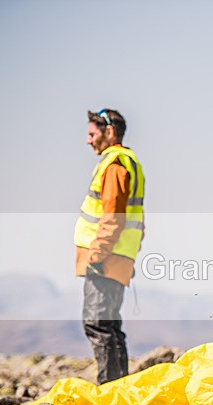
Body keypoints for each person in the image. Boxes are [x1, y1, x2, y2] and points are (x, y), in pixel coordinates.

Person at [74, 109, 145, 384]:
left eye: (92, 134)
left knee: (98, 324)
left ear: (110, 132)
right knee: (110, 326)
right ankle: (119, 390)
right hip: (117, 256)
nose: (89, 140)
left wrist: (96, 254)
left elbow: (113, 215)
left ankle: (110, 392)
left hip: (104, 258)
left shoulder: (115, 165)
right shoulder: (127, 162)